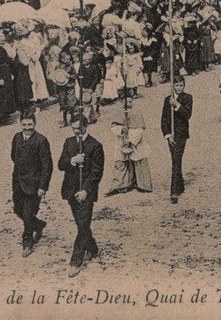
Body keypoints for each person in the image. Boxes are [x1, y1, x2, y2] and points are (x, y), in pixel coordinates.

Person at [57, 112, 104, 277]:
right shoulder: (68, 143)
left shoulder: (95, 145)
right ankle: (92, 247)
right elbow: (60, 164)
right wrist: (72, 160)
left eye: (79, 128)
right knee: (81, 224)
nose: (76, 131)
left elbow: (96, 173)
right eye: (74, 128)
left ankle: (76, 262)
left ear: (86, 126)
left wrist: (86, 190)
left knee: (83, 224)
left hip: (86, 193)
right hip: (70, 190)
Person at [10, 112, 52, 257]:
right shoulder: (16, 138)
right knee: (17, 209)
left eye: (30, 125)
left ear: (35, 124)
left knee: (28, 214)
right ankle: (38, 224)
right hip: (18, 182)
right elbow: (13, 157)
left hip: (34, 184)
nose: (27, 128)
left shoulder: (41, 141)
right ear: (20, 124)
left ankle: (27, 243)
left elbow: (47, 166)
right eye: (24, 125)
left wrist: (42, 186)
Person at [107, 95, 152, 195]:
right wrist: (121, 129)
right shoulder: (118, 112)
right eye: (127, 101)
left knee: (139, 160)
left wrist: (131, 140)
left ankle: (143, 184)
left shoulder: (136, 111)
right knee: (120, 161)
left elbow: (140, 129)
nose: (129, 104)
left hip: (135, 141)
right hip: (121, 140)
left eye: (131, 101)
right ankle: (122, 185)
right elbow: (113, 127)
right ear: (121, 101)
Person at [161, 77, 193, 204]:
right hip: (171, 135)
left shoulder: (188, 98)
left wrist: (177, 105)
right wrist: (168, 135)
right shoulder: (167, 100)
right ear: (173, 86)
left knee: (176, 160)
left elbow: (187, 114)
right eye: (176, 85)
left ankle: (174, 192)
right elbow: (163, 119)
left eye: (181, 85)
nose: (179, 88)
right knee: (175, 160)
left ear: (184, 85)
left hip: (181, 135)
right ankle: (180, 186)